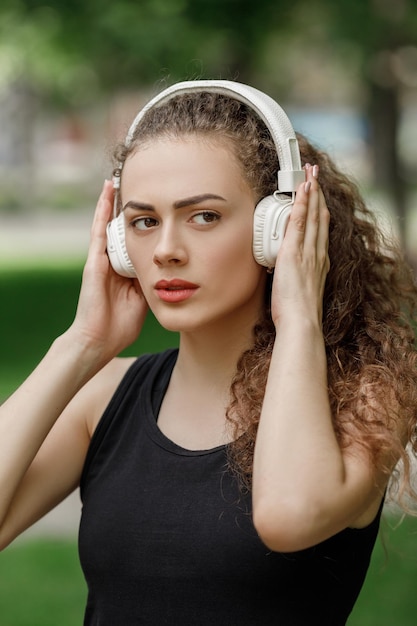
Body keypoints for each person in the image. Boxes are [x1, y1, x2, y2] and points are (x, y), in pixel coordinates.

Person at [0, 79, 416, 626]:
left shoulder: (362, 396)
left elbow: (288, 515)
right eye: (144, 222)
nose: (167, 250)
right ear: (119, 246)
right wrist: (81, 344)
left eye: (204, 216)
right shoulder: (103, 397)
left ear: (279, 227)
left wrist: (298, 317)